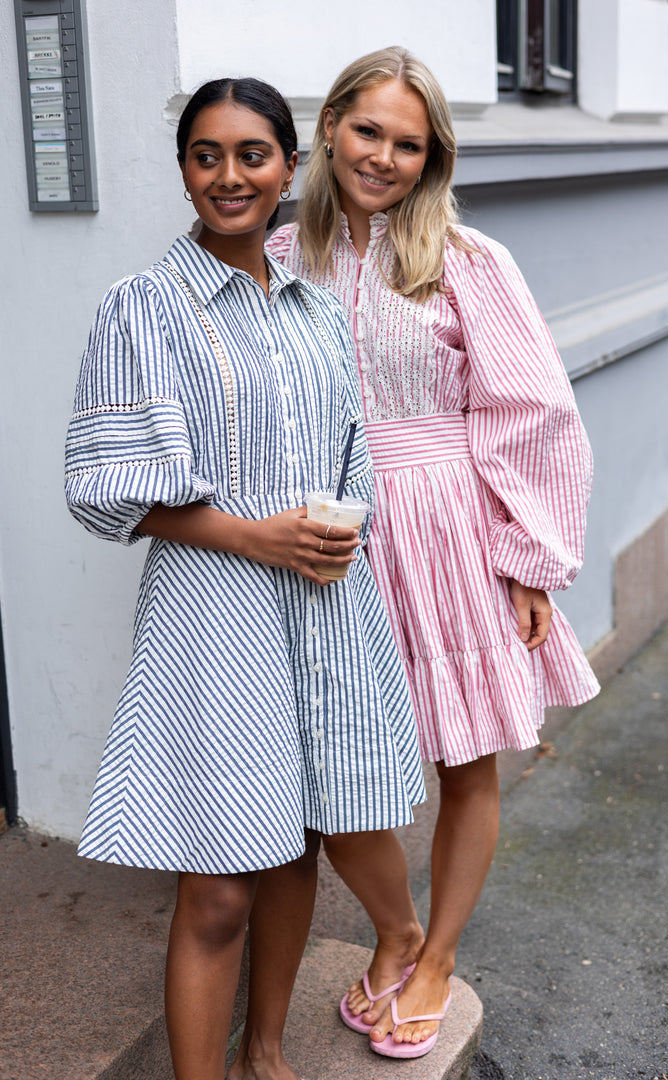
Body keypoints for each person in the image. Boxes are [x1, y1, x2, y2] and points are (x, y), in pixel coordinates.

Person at [64, 76, 425, 1080]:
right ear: (184, 172)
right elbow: (104, 487)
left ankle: (263, 1052)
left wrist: (347, 534)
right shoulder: (143, 307)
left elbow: (356, 453)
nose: (229, 175)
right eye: (206, 155)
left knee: (296, 844)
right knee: (218, 886)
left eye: (251, 154)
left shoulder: (312, 309)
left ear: (288, 169)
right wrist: (253, 538)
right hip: (215, 615)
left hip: (324, 605)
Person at [266, 46, 601, 1060]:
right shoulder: (279, 258)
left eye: (410, 143)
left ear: (432, 157)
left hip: (450, 526)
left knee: (466, 761)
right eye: (369, 131)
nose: (385, 157)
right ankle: (398, 930)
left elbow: (533, 411)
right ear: (329, 126)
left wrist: (529, 560)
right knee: (337, 769)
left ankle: (441, 956)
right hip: (333, 539)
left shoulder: (467, 260)